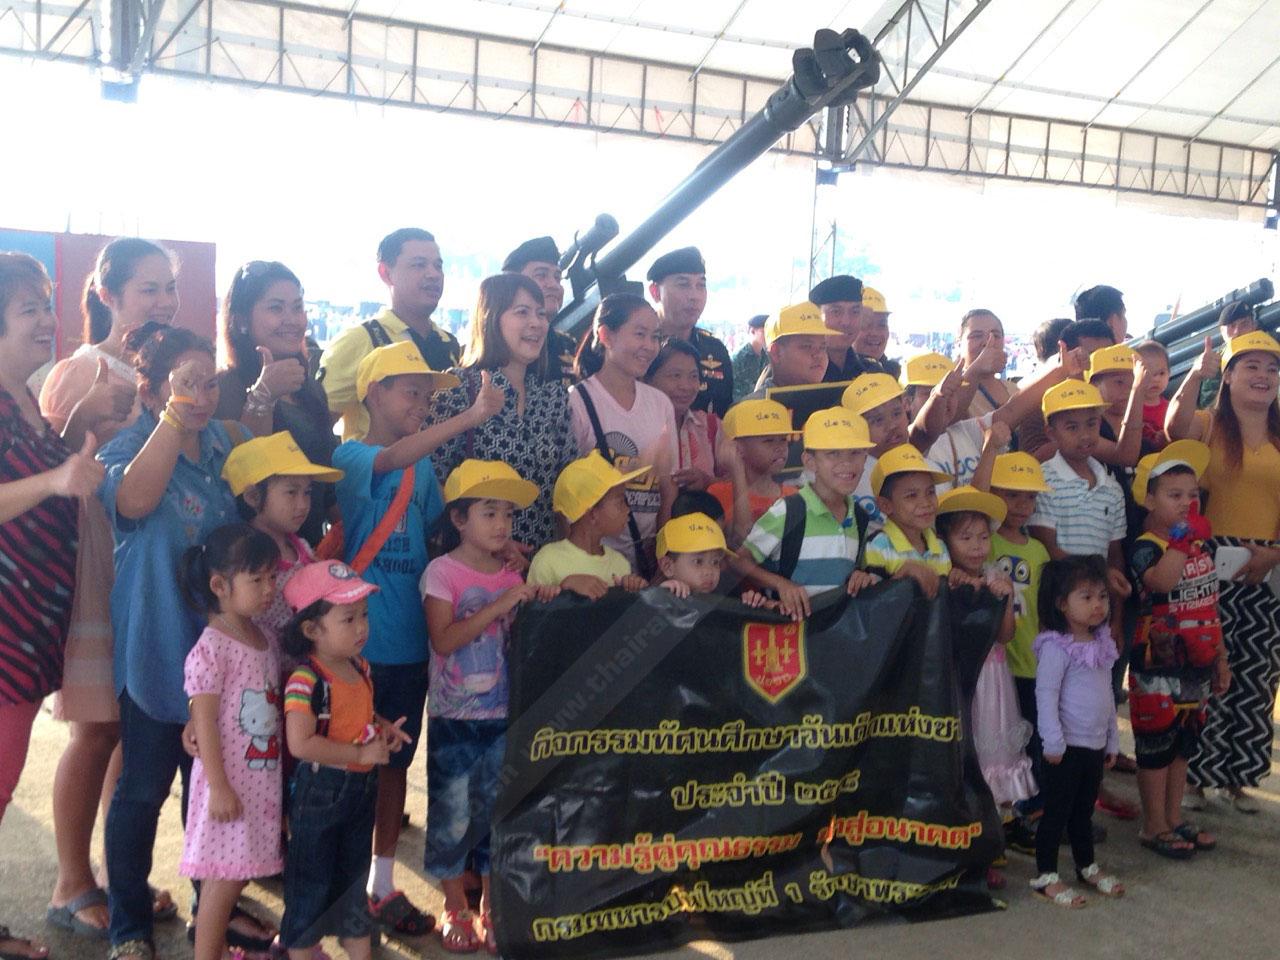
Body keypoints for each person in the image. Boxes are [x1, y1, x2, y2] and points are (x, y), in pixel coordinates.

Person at [97, 323, 265, 960]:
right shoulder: (128, 447)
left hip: (224, 655)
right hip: (157, 647)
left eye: (208, 382)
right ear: (152, 390)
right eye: (186, 383)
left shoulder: (224, 442)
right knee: (143, 790)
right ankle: (129, 926)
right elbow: (135, 503)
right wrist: (174, 414)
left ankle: (211, 912)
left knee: (213, 789)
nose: (201, 395)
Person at [331, 340, 492, 935]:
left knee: (394, 763)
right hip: (354, 647)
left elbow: (436, 535)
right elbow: (391, 459)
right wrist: (471, 416)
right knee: (348, 766)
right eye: (412, 392)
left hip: (407, 643)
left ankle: (380, 882)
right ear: (373, 392)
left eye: (429, 395)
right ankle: (341, 884)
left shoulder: (424, 469)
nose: (422, 404)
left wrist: (495, 552)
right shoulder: (351, 455)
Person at [38, 240, 167, 939]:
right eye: (148, 288)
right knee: (96, 729)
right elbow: (46, 466)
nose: (162, 302)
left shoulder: (164, 371)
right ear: (108, 294)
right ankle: (70, 881)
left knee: (129, 727)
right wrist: (88, 413)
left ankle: (121, 876)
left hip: (144, 570)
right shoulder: (83, 368)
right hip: (95, 564)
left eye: (168, 288)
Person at [0, 252, 107, 960]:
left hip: (30, 624)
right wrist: (55, 480)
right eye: (27, 308)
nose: (46, 319)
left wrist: (74, 432)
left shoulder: (21, 401)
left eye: (47, 303)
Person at [421, 460, 558, 953]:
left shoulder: (511, 573)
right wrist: (500, 605)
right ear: (459, 519)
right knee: (452, 813)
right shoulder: (442, 572)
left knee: (497, 815)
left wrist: (538, 601)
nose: (502, 524)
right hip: (454, 718)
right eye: (489, 512)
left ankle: (491, 906)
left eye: (508, 514)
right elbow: (443, 639)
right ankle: (454, 904)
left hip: (503, 715)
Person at [1165, 331, 1280, 813]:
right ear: (1229, 376)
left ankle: (1239, 777)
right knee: (1204, 666)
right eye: (1251, 365)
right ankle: (1196, 775)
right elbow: (1174, 429)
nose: (1263, 375)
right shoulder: (1210, 424)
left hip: (1269, 565)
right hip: (1210, 560)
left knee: (1257, 675)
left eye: (1271, 368)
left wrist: (1273, 555)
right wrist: (1196, 374)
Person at [280, 562, 409, 960]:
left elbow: (357, 714)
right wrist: (359, 754)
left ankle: (358, 946)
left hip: (360, 792)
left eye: (364, 615)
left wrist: (382, 727)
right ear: (311, 629)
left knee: (353, 883)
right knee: (310, 885)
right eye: (348, 618)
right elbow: (300, 743)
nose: (361, 627)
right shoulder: (306, 680)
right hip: (320, 794)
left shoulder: (360, 667)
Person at [176, 524, 283, 960]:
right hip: (228, 785)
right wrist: (219, 786)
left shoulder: (266, 637)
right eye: (256, 579)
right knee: (221, 881)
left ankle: (217, 950)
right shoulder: (213, 646)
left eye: (272, 577)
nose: (269, 589)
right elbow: (203, 719)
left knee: (237, 873)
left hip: (259, 784)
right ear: (219, 586)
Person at [1127, 441, 1229, 858]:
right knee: (1156, 746)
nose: (1187, 503)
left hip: (1198, 662)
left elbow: (1210, 604)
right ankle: (1153, 824)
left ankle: (1173, 817)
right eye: (1174, 495)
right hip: (1157, 665)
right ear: (1149, 499)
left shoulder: (1202, 547)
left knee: (1184, 743)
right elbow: (1162, 582)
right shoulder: (1146, 546)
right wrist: (1181, 542)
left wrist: (1221, 659)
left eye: (1192, 494)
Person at [431, 273, 576, 551]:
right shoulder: (458, 388)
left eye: (541, 314)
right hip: (474, 562)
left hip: (541, 563)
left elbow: (566, 485)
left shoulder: (554, 395)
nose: (537, 323)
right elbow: (434, 481)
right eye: (522, 312)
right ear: (491, 319)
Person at [936, 486, 1028, 885]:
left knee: (991, 757)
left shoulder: (997, 577)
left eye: (983, 536)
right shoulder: (943, 577)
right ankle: (963, 844)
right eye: (965, 537)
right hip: (960, 681)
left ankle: (990, 840)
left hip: (993, 682)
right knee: (961, 759)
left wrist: (1004, 599)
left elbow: (1006, 636)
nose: (977, 546)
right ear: (945, 539)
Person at [215, 260, 335, 545]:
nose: (292, 319)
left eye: (297, 307)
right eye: (276, 308)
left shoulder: (310, 388)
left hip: (307, 550)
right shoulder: (224, 388)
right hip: (253, 555)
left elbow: (326, 483)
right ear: (241, 320)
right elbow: (241, 478)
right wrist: (263, 396)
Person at [1030, 555, 1125, 908]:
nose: (1097, 604)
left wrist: (1112, 739)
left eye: (1102, 596)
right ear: (1061, 603)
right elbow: (1046, 694)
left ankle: (1086, 866)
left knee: (1084, 811)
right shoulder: (1056, 647)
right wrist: (1052, 740)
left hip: (1094, 745)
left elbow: (1107, 696)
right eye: (1086, 597)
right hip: (1065, 747)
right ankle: (1046, 875)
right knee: (1056, 812)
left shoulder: (1102, 644)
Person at [735, 407, 878, 619]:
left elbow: (856, 569)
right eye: (833, 453)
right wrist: (781, 584)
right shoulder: (787, 511)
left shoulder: (860, 518)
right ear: (810, 461)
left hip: (836, 631)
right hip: (790, 632)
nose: (846, 463)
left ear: (865, 458)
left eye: (855, 452)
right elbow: (738, 561)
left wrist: (861, 576)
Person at [569, 294, 678, 575]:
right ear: (606, 335)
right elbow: (569, 492)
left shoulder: (660, 404)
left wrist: (662, 554)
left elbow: (668, 488)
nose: (650, 346)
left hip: (648, 560)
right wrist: (640, 463)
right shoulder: (578, 401)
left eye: (655, 337)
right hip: (593, 563)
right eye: (640, 334)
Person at [319, 228, 460, 438]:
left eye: (438, 266)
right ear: (386, 273)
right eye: (419, 265)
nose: (433, 274)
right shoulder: (360, 340)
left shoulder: (450, 344)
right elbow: (317, 424)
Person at [984, 452, 1054, 849]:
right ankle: (1004, 817)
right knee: (1002, 742)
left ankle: (1032, 813)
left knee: (1032, 741)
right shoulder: (985, 542)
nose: (1022, 505)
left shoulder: (1039, 551)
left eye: (1029, 497)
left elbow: (1044, 611)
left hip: (1031, 662)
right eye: (1012, 495)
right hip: (996, 667)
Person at [221, 432, 343, 650]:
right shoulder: (245, 561)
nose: (303, 504)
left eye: (307, 492)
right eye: (291, 492)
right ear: (253, 497)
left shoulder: (301, 547)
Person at [526, 452, 650, 598]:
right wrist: (563, 588)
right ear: (592, 514)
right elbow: (533, 610)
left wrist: (634, 590)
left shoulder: (620, 564)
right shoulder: (547, 561)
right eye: (620, 502)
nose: (628, 509)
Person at [646, 246, 733, 415]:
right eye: (683, 285)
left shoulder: (715, 350)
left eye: (700, 285)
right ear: (655, 292)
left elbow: (724, 414)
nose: (694, 296)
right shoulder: (640, 347)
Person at [862, 444, 955, 596]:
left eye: (930, 492)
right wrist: (904, 574)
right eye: (912, 495)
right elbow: (875, 601)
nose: (926, 503)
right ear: (885, 505)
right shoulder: (878, 546)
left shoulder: (940, 547)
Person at [1019, 319, 1115, 461]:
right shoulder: (1040, 403)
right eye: (1090, 358)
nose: (1101, 368)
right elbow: (1031, 460)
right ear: (1068, 357)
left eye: (1108, 359)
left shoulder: (1122, 397)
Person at [708, 399, 798, 546]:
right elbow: (742, 542)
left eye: (783, 439)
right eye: (769, 441)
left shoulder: (793, 496)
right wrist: (737, 472)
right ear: (737, 447)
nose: (780, 447)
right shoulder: (717, 494)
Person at [645, 338, 720, 491]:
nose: (685, 386)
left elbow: (738, 481)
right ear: (648, 379)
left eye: (693, 376)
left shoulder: (711, 427)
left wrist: (707, 482)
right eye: (675, 376)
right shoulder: (633, 426)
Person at [501, 236, 577, 387]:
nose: (554, 285)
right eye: (541, 275)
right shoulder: (492, 348)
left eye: (557, 277)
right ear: (512, 284)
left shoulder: (566, 346)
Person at [750, 302, 839, 395]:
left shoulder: (836, 399)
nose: (819, 355)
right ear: (776, 352)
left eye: (823, 347)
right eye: (807, 346)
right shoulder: (755, 404)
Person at [809, 275, 882, 383]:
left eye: (855, 312)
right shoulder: (800, 372)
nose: (846, 322)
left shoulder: (871, 372)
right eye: (836, 312)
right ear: (815, 316)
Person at [957, 309, 1019, 419]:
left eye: (995, 335)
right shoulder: (948, 391)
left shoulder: (1014, 390)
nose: (987, 342)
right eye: (976, 336)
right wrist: (976, 370)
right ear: (959, 343)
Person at [1196, 301, 1257, 408]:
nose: (1237, 332)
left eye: (1244, 324)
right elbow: (1210, 406)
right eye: (1231, 326)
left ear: (1254, 326)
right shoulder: (1215, 362)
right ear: (1222, 331)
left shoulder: (1268, 355)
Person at [853, 286, 899, 379]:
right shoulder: (829, 374)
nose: (875, 333)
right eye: (866, 324)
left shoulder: (893, 375)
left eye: (882, 325)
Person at [1132, 340, 1171, 451]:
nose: (1156, 379)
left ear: (1169, 373)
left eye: (1161, 373)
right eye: (1148, 373)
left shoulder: (1171, 408)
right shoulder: (1131, 408)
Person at [731, 314, 768, 401]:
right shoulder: (738, 357)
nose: (767, 335)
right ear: (752, 331)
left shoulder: (767, 355)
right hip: (741, 404)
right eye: (764, 332)